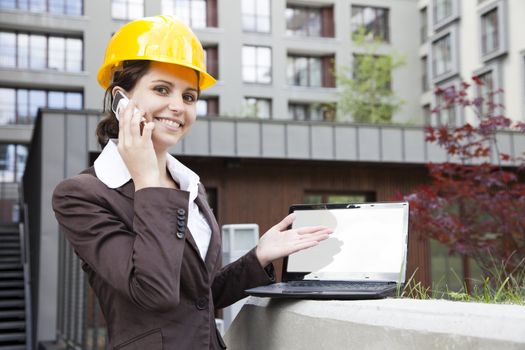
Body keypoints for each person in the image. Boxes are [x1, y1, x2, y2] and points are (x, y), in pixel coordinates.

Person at [52, 15, 332, 350]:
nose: (177, 107)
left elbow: (201, 296)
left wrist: (258, 256)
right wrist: (146, 180)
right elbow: (155, 292)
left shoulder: (189, 185)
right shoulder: (82, 195)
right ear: (120, 99)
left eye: (189, 96)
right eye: (161, 89)